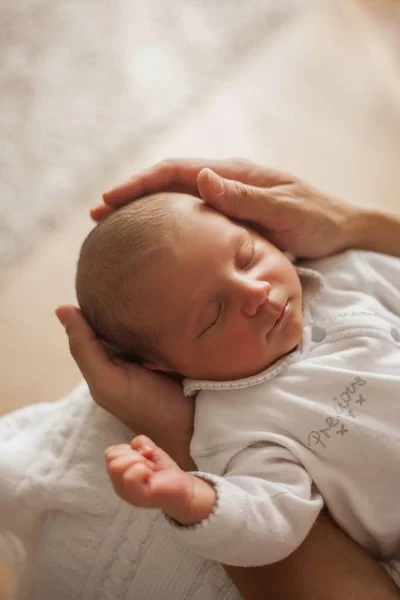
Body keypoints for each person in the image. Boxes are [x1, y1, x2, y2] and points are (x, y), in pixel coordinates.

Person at [55, 158, 400, 599]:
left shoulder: (348, 275)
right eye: (213, 315)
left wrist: (356, 224)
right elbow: (270, 523)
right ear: (164, 365)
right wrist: (190, 498)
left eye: (247, 256)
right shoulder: (235, 427)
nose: (254, 292)